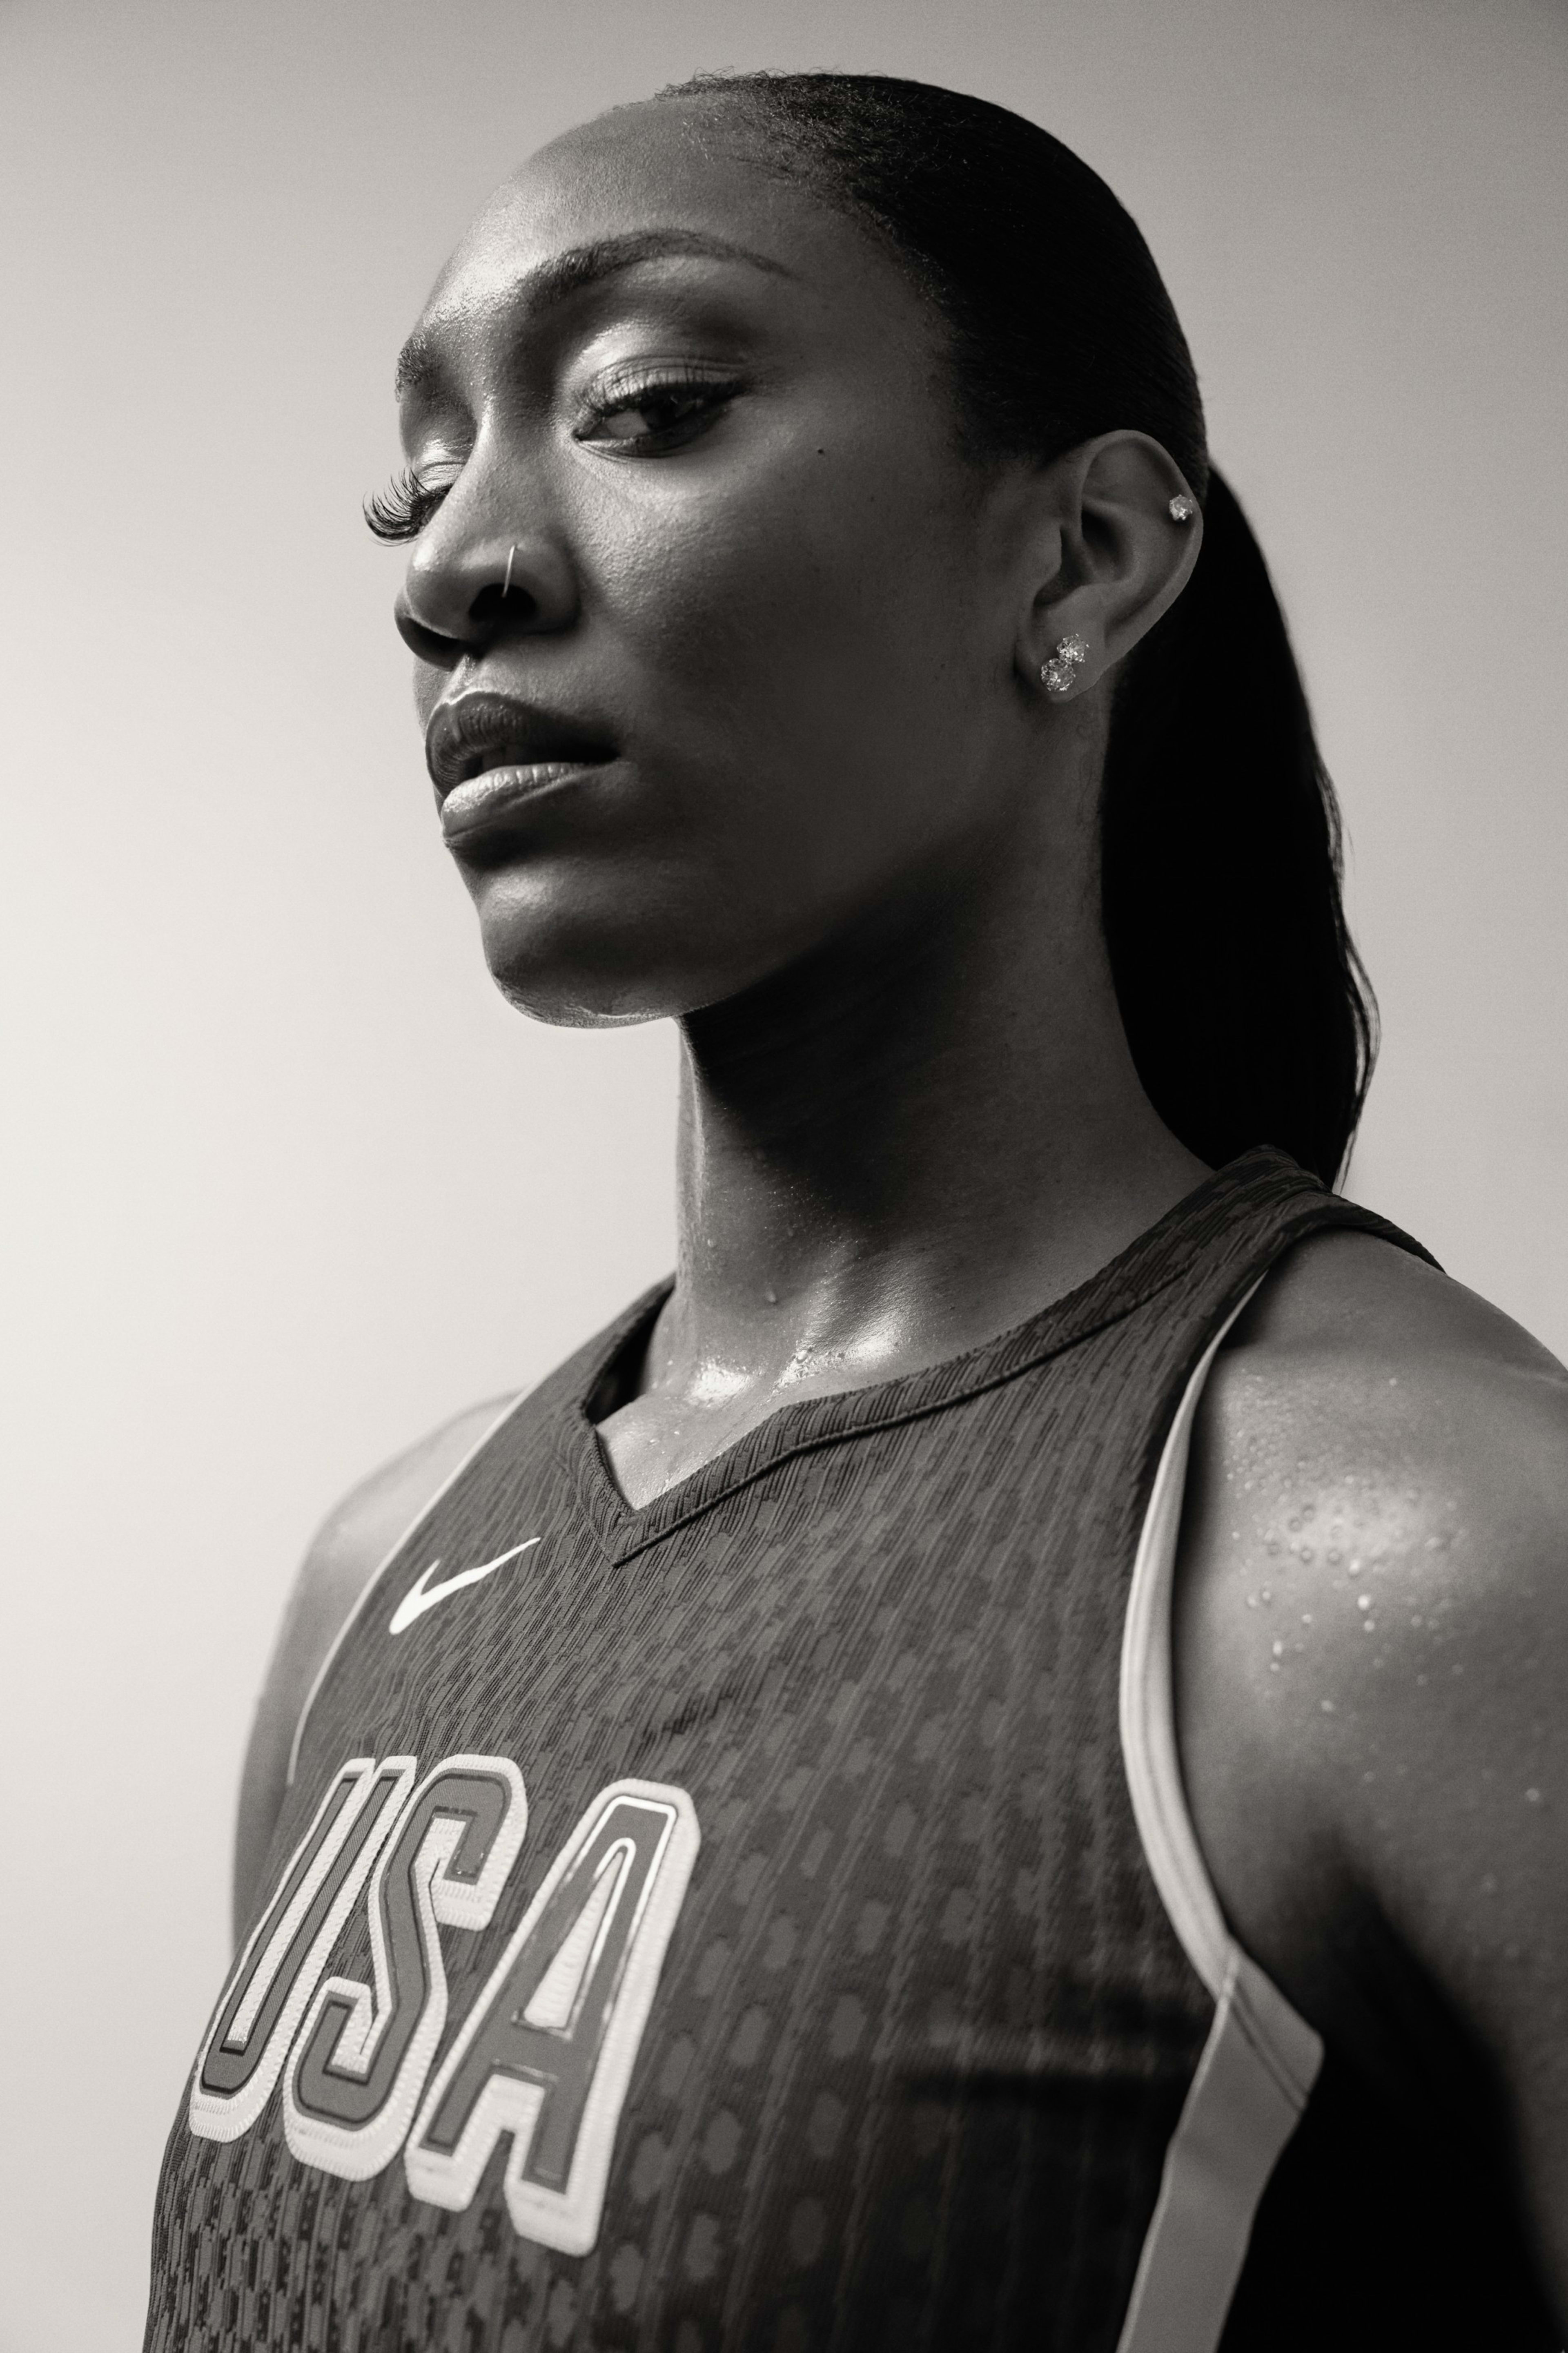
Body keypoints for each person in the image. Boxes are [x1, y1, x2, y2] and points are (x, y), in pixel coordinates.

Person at [141, 72, 1568, 2353]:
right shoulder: (378, 1580)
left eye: (648, 404)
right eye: (416, 477)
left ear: (1087, 556)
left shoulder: (1426, 1566)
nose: (450, 569)